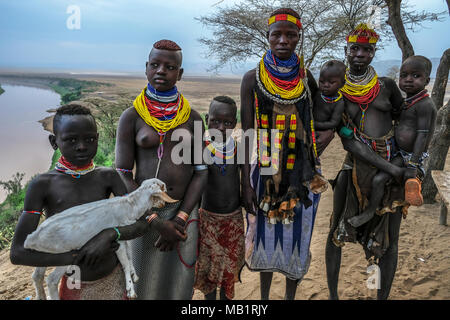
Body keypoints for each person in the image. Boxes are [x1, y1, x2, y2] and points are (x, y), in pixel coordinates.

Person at [240, 8, 328, 300]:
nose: (283, 40)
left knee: (298, 238)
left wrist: (314, 151)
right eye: (276, 34)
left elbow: (318, 116)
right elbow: (248, 134)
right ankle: (264, 298)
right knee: (267, 235)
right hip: (266, 172)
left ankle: (290, 295)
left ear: (298, 38)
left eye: (290, 35)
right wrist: (246, 183)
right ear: (267, 37)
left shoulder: (306, 77)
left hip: (302, 174)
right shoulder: (252, 78)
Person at [114, 40, 208, 299]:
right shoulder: (132, 117)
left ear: (180, 73)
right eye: (155, 64)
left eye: (170, 66)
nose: (161, 71)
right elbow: (122, 173)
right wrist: (155, 221)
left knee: (178, 284)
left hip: (183, 213)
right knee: (143, 285)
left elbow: (201, 172)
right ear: (146, 68)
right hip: (143, 214)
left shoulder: (193, 119)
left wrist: (178, 220)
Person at [325, 23, 411, 300]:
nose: (360, 54)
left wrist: (400, 161)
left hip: (391, 165)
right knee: (335, 232)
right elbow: (348, 140)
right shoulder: (338, 89)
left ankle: (379, 297)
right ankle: (333, 296)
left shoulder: (386, 86)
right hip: (356, 168)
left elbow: (403, 120)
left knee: (388, 240)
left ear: (373, 53)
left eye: (367, 49)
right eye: (355, 48)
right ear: (346, 51)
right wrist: (391, 169)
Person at [10, 104, 130, 300]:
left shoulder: (108, 177)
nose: (82, 146)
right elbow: (18, 253)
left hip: (114, 277)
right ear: (54, 142)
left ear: (97, 139)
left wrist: (109, 235)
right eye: (71, 140)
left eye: (89, 139)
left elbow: (136, 223)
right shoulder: (42, 185)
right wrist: (76, 256)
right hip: (74, 283)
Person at [347, 56, 437, 228]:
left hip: (412, 156)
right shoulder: (407, 103)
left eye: (416, 76)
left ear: (427, 80)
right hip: (400, 154)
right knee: (381, 177)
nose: (408, 80)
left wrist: (412, 163)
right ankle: (406, 185)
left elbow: (423, 136)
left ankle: (370, 211)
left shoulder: (425, 105)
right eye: (404, 75)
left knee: (380, 179)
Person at [194, 96, 245, 300]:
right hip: (207, 220)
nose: (221, 127)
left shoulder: (239, 150)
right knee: (208, 271)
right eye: (215, 121)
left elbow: (246, 183)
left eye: (227, 123)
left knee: (228, 271)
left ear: (234, 123)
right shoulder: (201, 150)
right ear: (207, 119)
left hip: (233, 220)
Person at [313, 60, 346, 132]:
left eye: (331, 82)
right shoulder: (317, 93)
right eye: (321, 81)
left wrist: (314, 124)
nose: (326, 85)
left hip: (320, 132)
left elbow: (334, 123)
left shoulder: (339, 103)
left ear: (342, 83)